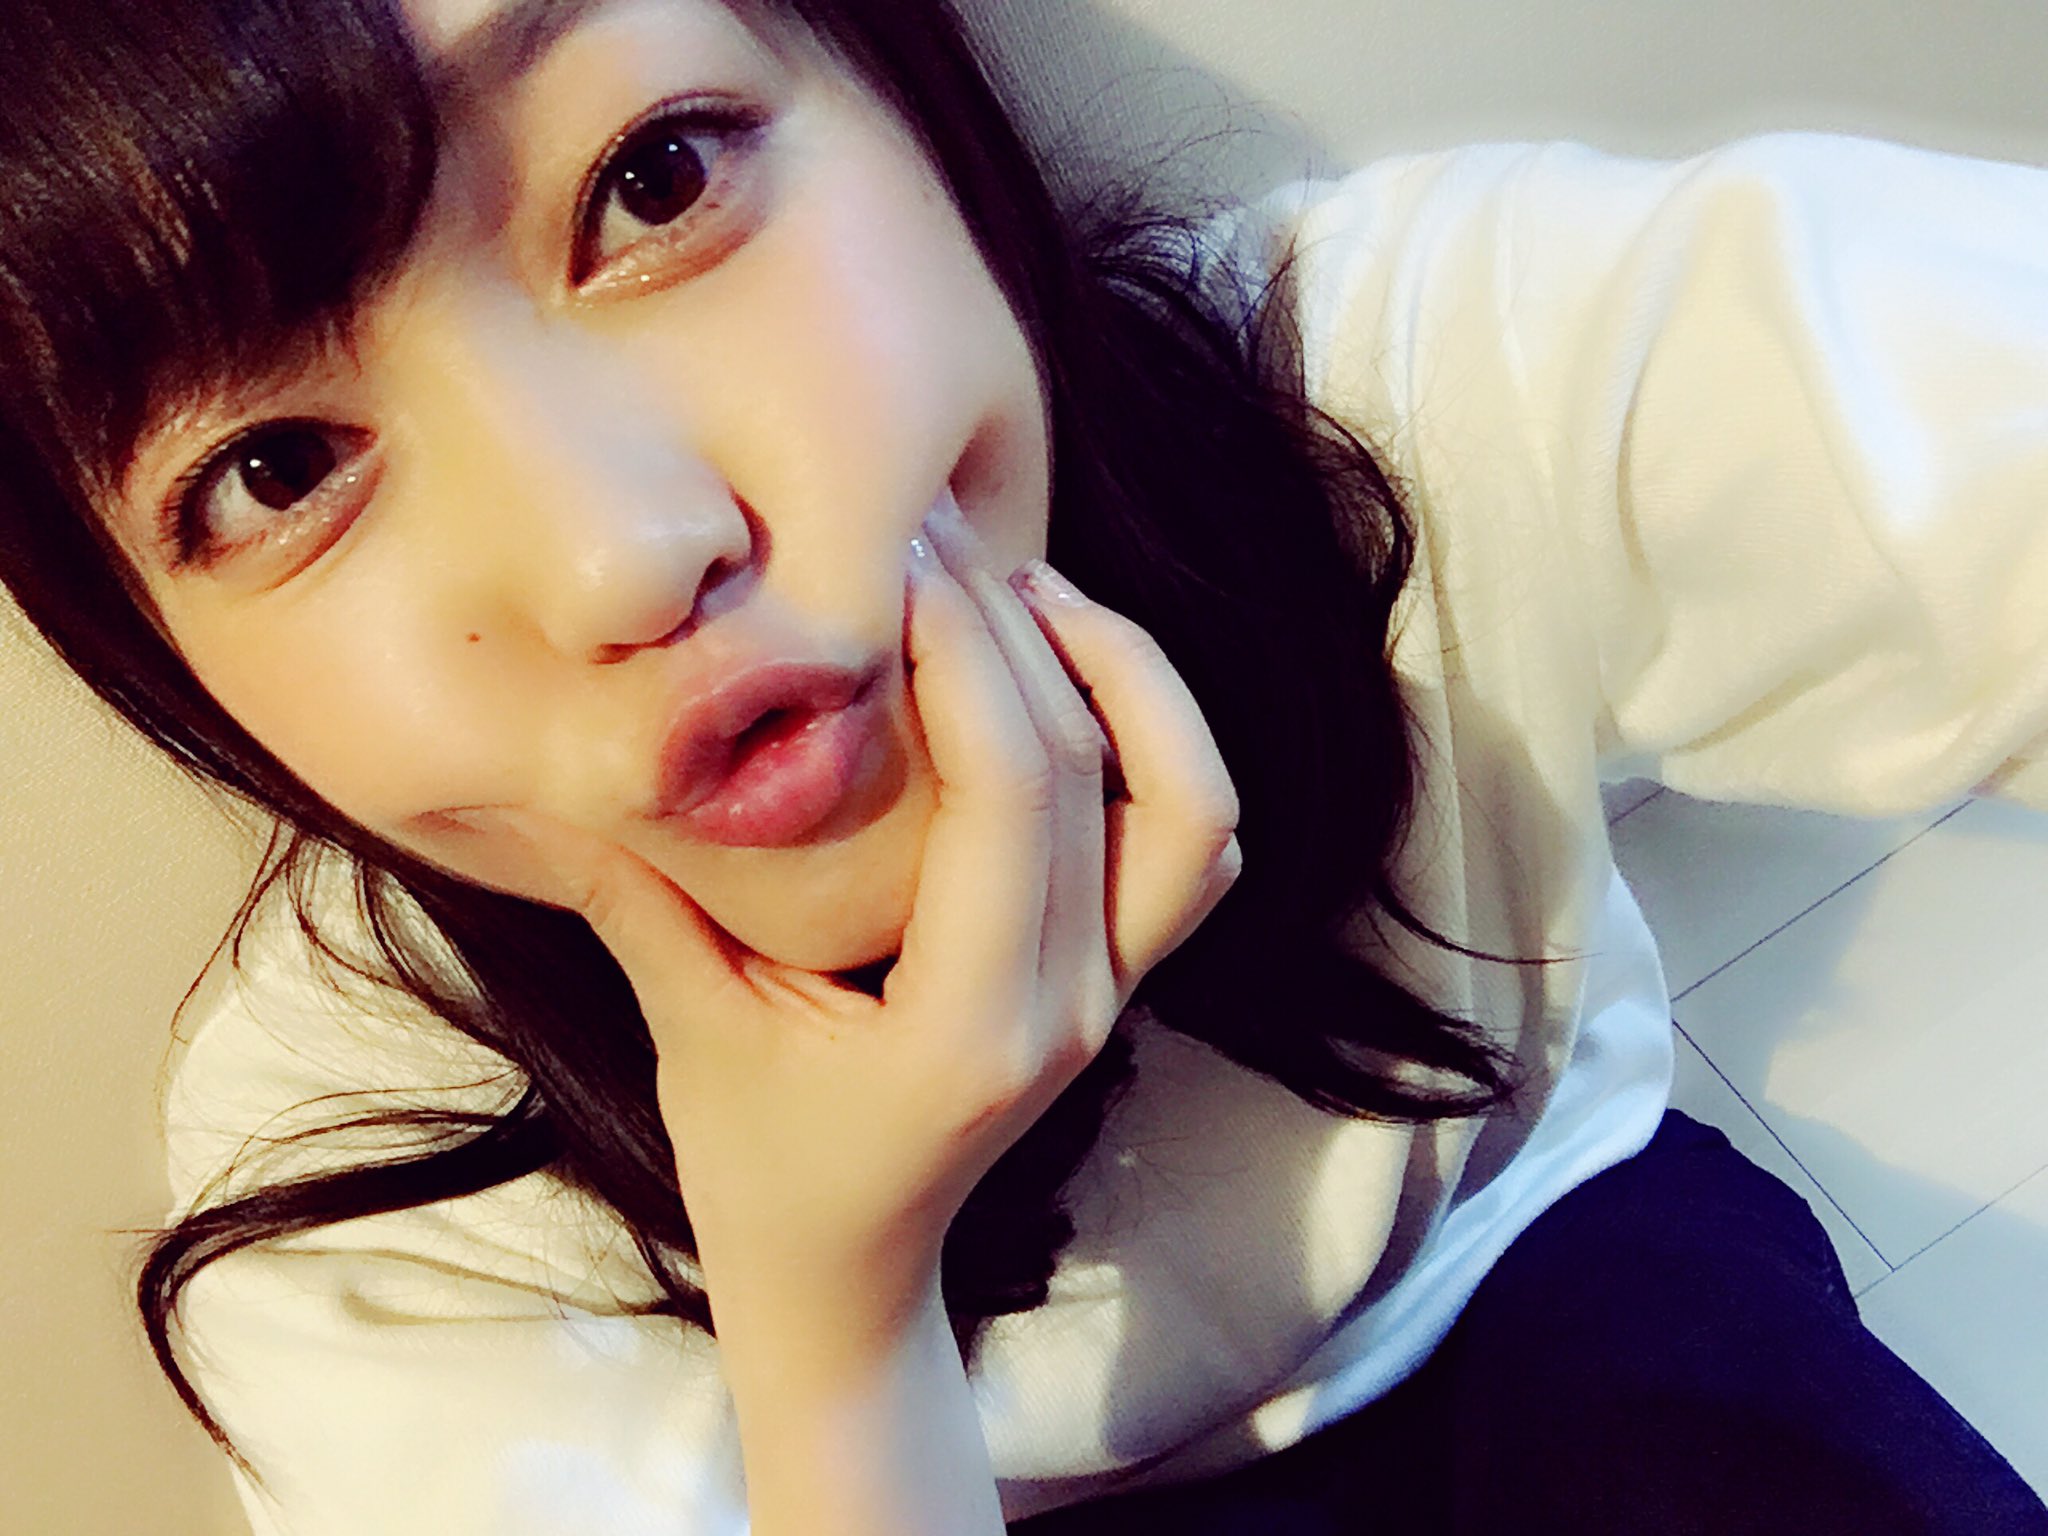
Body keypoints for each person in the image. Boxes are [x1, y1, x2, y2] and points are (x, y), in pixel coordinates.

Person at [1, 0, 2044, 1531]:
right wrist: (832, 1322)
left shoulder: (1421, 398)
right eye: (275, 469)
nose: (623, 552)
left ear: (910, 98)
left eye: (657, 178)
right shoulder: (362, 1173)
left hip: (1550, 1262)